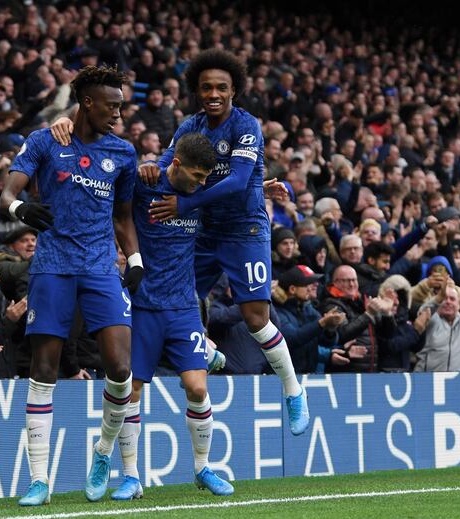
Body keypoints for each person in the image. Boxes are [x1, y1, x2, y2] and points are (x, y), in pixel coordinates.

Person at [55, 50, 310, 434]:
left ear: (234, 91)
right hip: (205, 231)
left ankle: (292, 390)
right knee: (178, 296)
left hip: (245, 231)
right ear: (196, 90)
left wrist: (186, 202)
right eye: (206, 86)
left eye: (221, 87)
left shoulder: (247, 126)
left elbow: (240, 181)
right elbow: (169, 159)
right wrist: (151, 166)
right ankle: (201, 349)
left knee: (256, 319)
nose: (213, 93)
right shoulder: (192, 125)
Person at [0, 65, 143, 506]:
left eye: (121, 105)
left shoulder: (123, 153)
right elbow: (6, 192)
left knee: (120, 369)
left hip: (101, 267)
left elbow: (123, 216)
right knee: (43, 371)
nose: (118, 113)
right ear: (86, 103)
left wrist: (134, 257)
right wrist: (21, 209)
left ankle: (103, 452)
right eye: (111, 105)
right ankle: (39, 481)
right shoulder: (47, 141)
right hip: (53, 266)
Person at [108, 132, 234, 501]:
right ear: (175, 164)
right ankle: (130, 476)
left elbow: (236, 190)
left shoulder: (200, 197)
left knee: (197, 387)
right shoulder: (146, 184)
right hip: (143, 304)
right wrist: (150, 166)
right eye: (196, 175)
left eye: (205, 178)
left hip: (183, 307)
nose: (200, 183)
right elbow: (118, 205)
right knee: (132, 391)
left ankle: (202, 468)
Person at [415, 280, 460, 371]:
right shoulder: (432, 320)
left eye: (452, 299)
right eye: (444, 299)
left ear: (459, 305)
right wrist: (438, 297)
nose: (448, 302)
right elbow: (423, 311)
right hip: (427, 381)